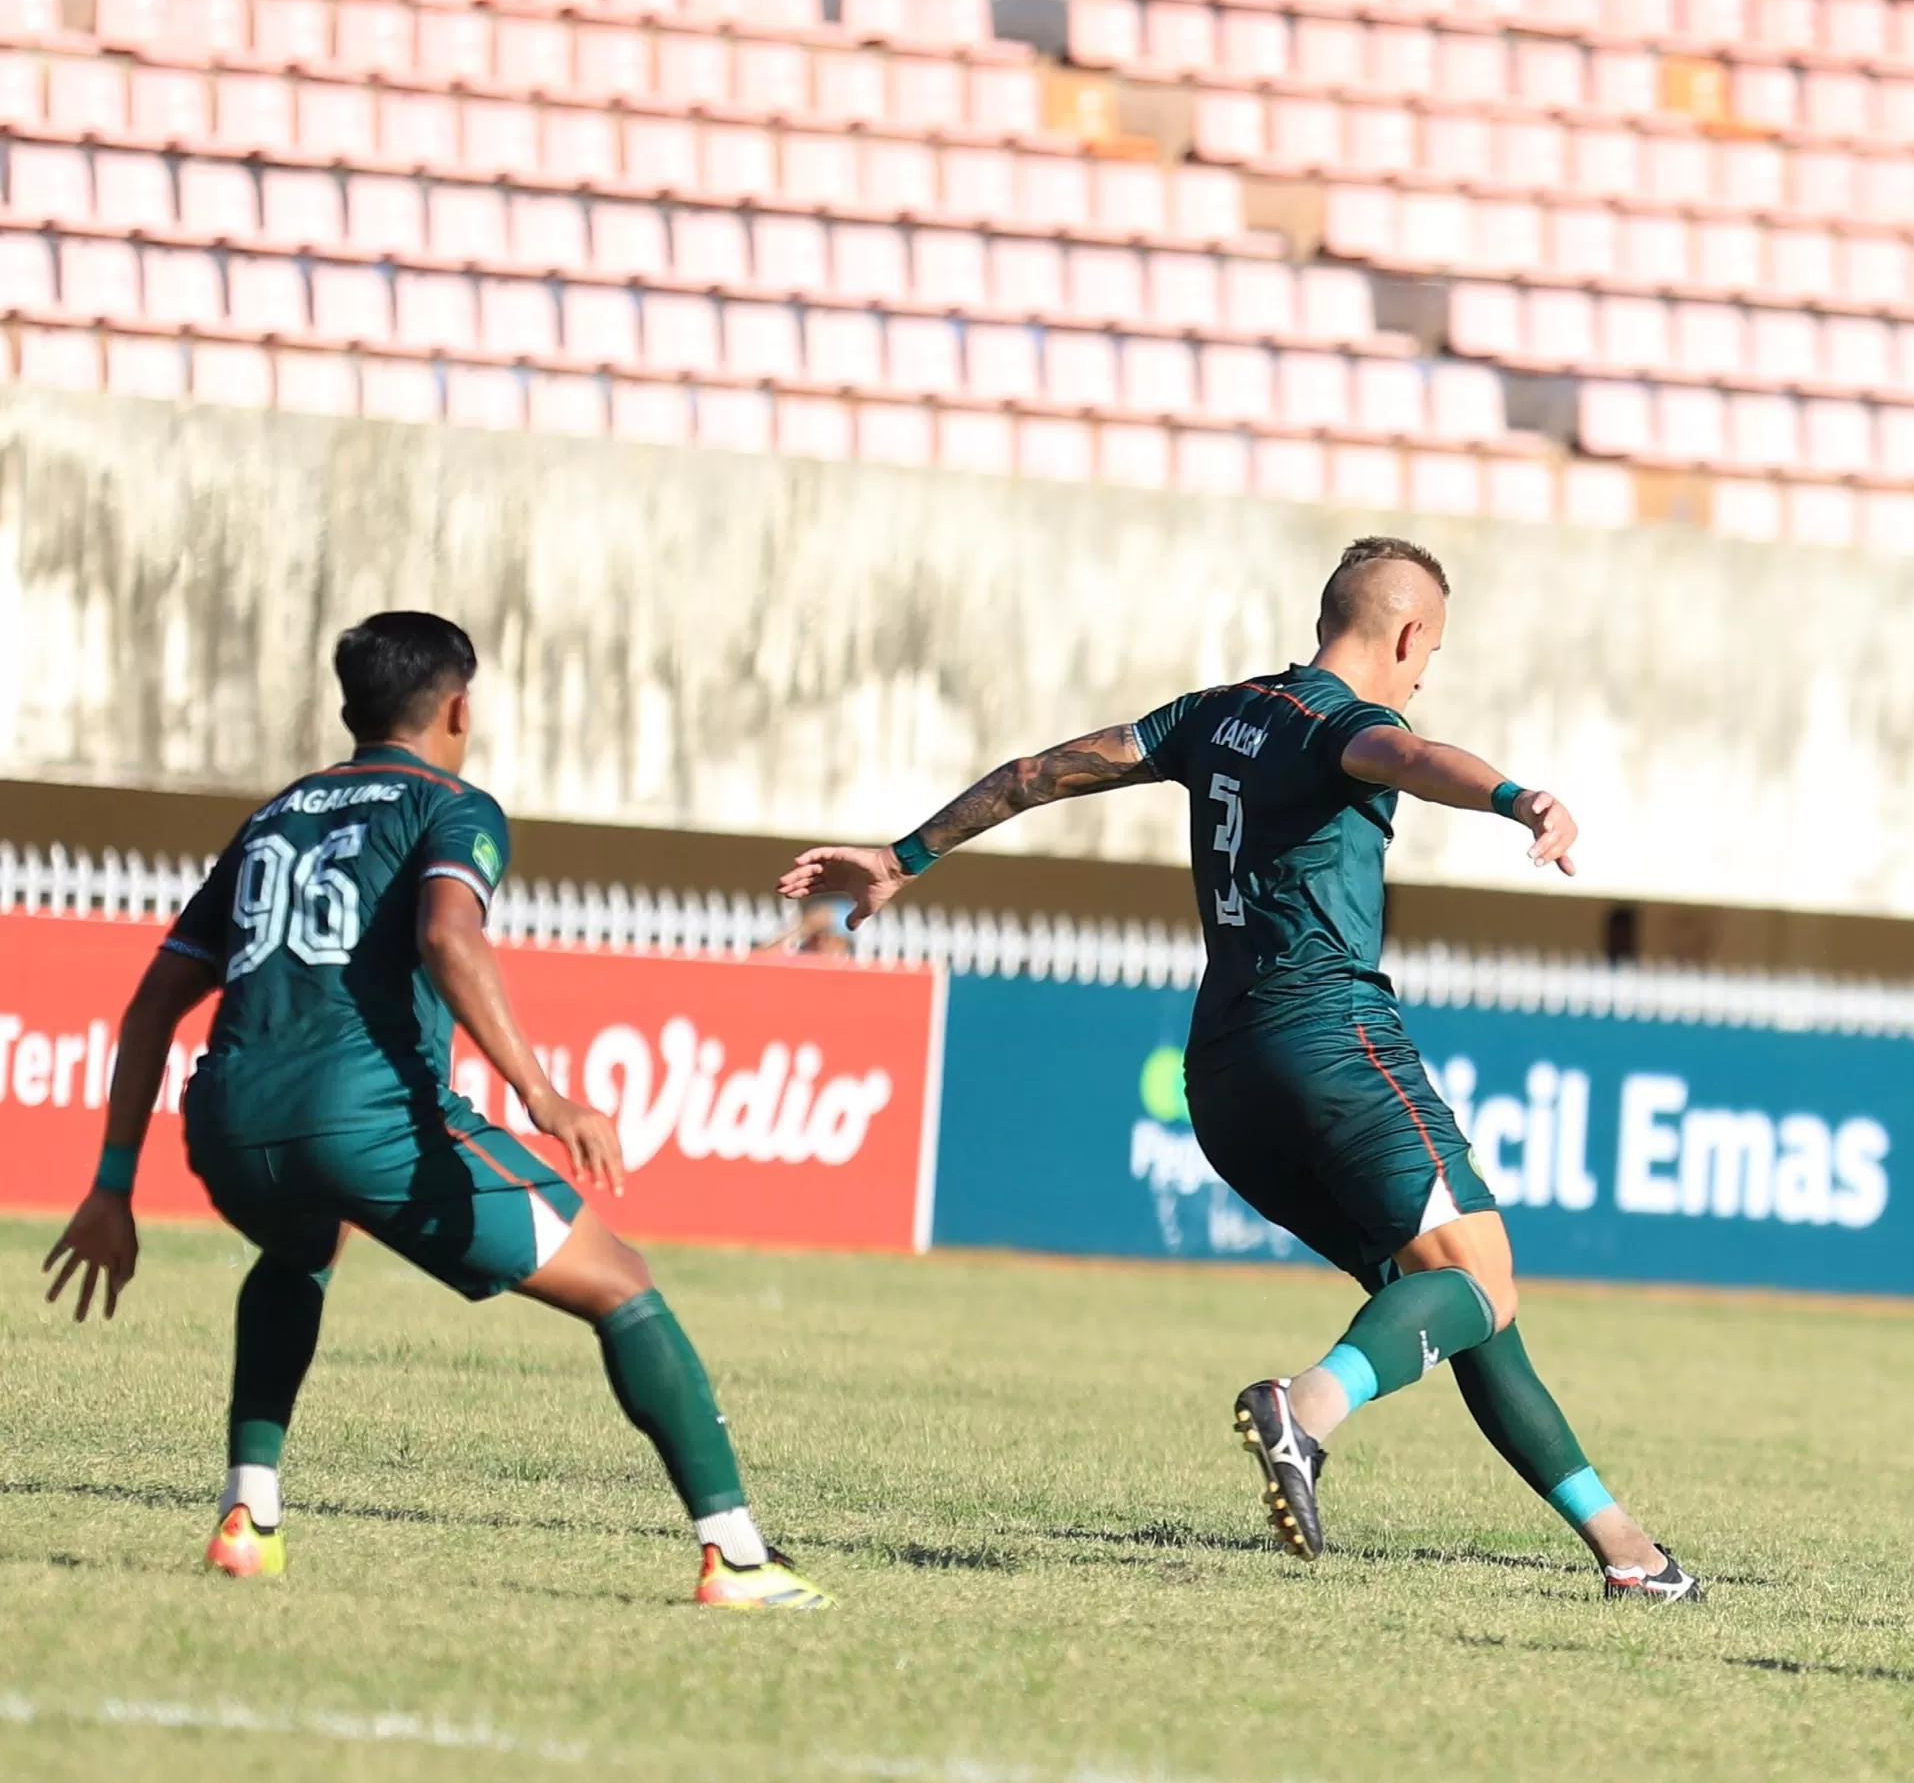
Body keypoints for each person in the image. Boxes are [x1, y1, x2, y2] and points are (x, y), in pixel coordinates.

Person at [779, 535, 1696, 1599]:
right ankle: (1303, 1411)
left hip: (1220, 1074)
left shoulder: (1216, 713)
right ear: (1406, 635)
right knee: (1472, 1281)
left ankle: (1628, 1552)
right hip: (1333, 1043)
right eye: (1428, 650)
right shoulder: (1350, 723)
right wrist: (1520, 798)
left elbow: (1040, 773)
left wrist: (903, 857)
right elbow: (1409, 758)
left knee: (1450, 1296)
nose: (1422, 672)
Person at [38, 611, 820, 1608]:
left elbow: (152, 1002)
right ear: (458, 705)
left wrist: (112, 1185)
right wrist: (544, 1096)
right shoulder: (452, 804)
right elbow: (453, 936)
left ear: (347, 706)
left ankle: (249, 1513)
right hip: (370, 1120)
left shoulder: (276, 813)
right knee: (621, 1283)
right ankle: (738, 1555)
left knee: (301, 1249)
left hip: (226, 1126)